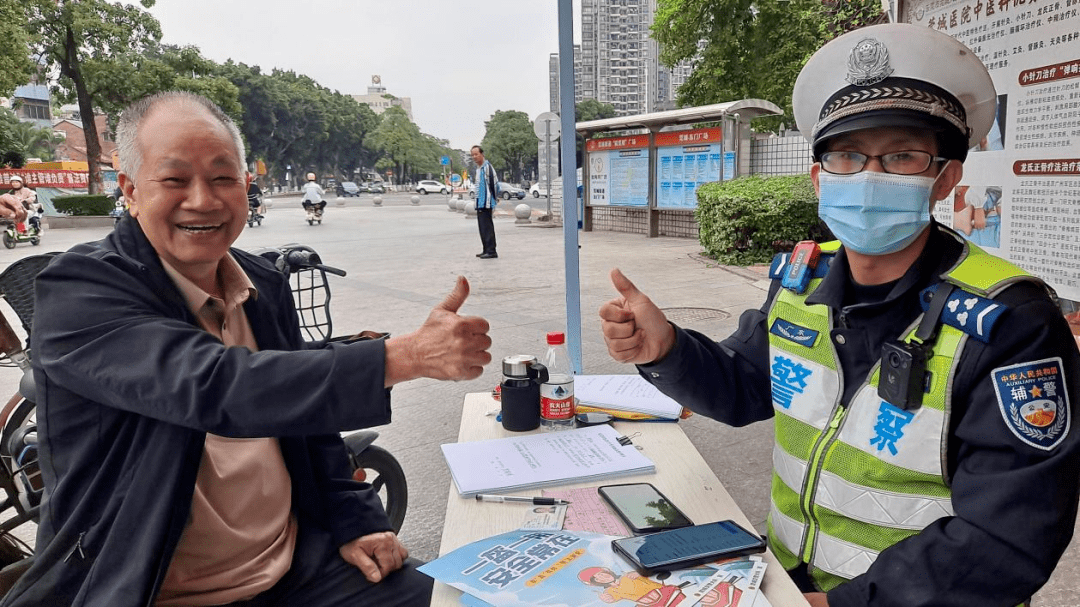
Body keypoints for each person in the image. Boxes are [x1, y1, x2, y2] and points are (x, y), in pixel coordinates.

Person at [598, 23, 1080, 607]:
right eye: (847, 156)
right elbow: (744, 388)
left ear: (945, 178)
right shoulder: (801, 280)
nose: (869, 176)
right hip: (783, 583)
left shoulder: (1011, 320)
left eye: (902, 156)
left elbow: (1009, 535)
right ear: (819, 178)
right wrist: (667, 349)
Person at [2, 91, 492, 606]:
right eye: (174, 180)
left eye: (222, 177)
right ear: (130, 190)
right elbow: (214, 385)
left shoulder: (262, 283)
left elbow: (308, 421)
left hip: (299, 569)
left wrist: (357, 520)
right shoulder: (78, 290)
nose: (203, 200)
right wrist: (404, 357)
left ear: (245, 184)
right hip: (149, 588)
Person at [470, 145, 498, 259]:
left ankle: (491, 251)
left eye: (476, 154)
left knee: (487, 227)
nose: (474, 157)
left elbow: (494, 184)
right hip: (480, 203)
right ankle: (485, 249)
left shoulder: (487, 167)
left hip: (486, 202)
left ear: (482, 154)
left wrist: (493, 200)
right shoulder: (478, 169)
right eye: (472, 155)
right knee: (482, 227)